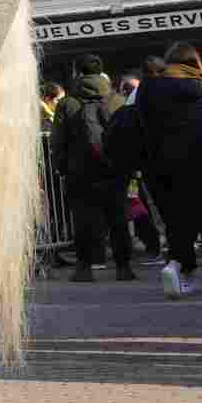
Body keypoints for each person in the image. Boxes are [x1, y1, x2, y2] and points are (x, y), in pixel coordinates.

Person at [136, 42, 202, 298]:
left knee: (173, 219)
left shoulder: (145, 89)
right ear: (195, 63)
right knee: (188, 220)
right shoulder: (201, 92)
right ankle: (176, 265)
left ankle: (183, 270)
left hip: (153, 163)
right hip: (193, 162)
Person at [50, 55, 133, 282]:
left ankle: (84, 268)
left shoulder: (68, 103)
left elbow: (58, 140)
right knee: (117, 218)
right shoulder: (116, 100)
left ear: (77, 73)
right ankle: (124, 267)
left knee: (84, 221)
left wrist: (60, 166)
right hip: (114, 169)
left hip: (80, 171)